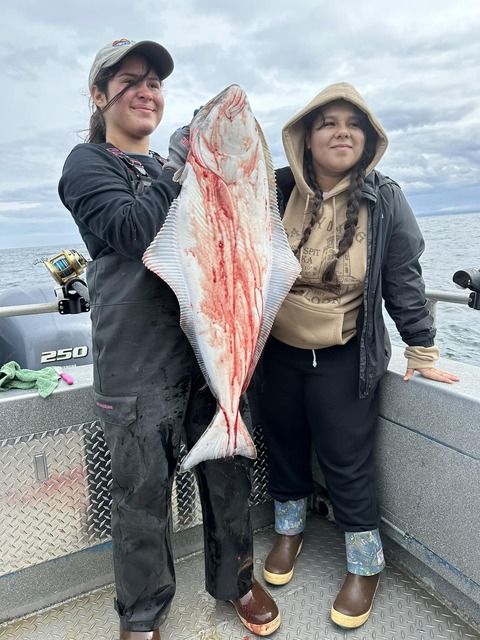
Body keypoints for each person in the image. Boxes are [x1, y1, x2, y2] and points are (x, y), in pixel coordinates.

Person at [58, 38, 280, 640]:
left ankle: (237, 581)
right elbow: (132, 231)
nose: (145, 92)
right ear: (99, 96)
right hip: (135, 366)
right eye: (129, 81)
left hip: (204, 356)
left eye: (154, 83)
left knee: (228, 479)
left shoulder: (171, 168)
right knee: (141, 499)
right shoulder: (88, 164)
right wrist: (183, 163)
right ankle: (143, 612)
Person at [258, 82, 460, 630]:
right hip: (273, 350)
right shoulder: (274, 190)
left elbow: (403, 278)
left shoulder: (385, 197)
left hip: (344, 353)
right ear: (305, 136)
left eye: (354, 123)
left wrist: (421, 349)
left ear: (369, 138)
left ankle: (365, 563)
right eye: (328, 122)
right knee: (282, 444)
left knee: (347, 462)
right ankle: (289, 531)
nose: (341, 131)